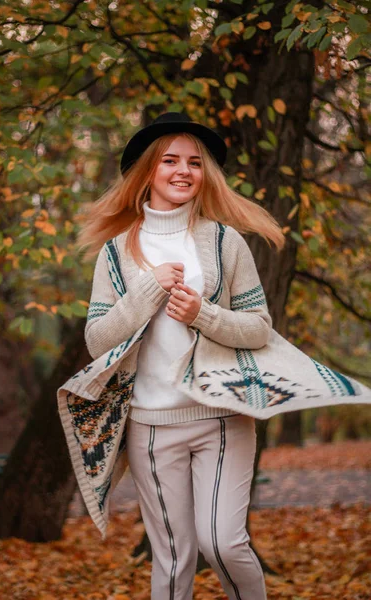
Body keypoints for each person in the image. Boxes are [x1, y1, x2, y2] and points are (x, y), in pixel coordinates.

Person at [57, 112, 371, 600]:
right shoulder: (117, 253)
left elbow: (258, 328)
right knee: (175, 558)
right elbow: (98, 340)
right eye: (170, 161)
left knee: (223, 542)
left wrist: (203, 314)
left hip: (222, 419)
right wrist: (146, 291)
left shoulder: (225, 242)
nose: (183, 171)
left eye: (195, 163)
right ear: (147, 172)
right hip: (150, 426)